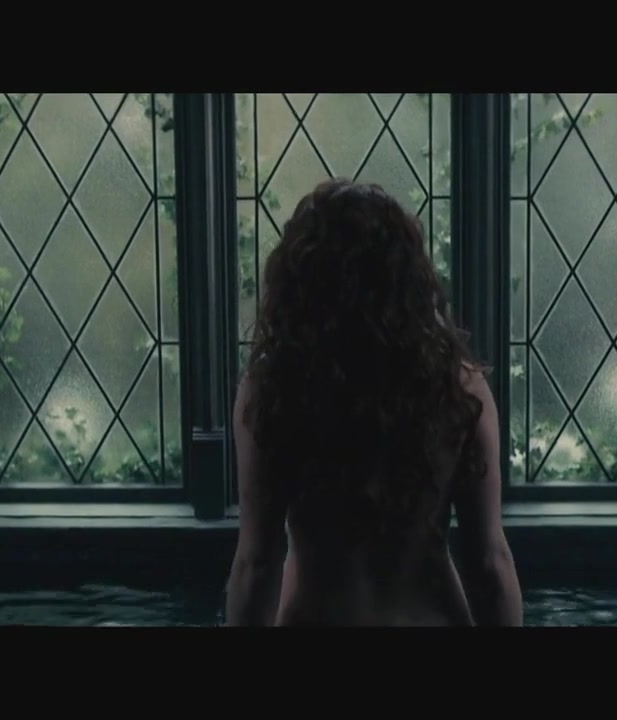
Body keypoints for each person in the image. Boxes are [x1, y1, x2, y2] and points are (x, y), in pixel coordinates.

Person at [223, 178, 523, 626]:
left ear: (300, 282)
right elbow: (489, 563)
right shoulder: (457, 389)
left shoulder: (274, 391)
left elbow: (257, 564)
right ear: (409, 279)